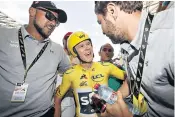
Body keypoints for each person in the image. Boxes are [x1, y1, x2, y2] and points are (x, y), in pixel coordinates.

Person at [94, 1, 174, 117]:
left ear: (112, 11)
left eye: (100, 22)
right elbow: (133, 79)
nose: (102, 31)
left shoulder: (169, 34)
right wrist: (114, 100)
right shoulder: (126, 46)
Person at [0, 1, 70, 117]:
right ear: (32, 11)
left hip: (44, 114)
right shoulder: (3, 35)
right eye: (49, 16)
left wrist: (57, 102)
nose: (53, 23)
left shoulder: (58, 50)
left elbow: (72, 73)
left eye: (56, 21)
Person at [54, 31, 126, 117]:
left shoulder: (107, 66)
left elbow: (131, 79)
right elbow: (57, 99)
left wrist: (119, 95)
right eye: (81, 46)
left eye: (88, 44)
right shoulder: (69, 74)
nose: (87, 48)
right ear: (74, 52)